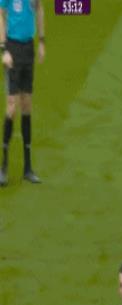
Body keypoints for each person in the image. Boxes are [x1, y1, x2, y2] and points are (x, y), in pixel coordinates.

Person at [0, 0, 44, 186]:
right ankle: (3, 166)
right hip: (12, 48)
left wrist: (41, 41)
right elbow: (0, 15)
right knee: (12, 106)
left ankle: (28, 168)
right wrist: (3, 49)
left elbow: (39, 9)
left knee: (26, 105)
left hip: (28, 49)